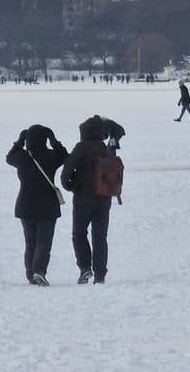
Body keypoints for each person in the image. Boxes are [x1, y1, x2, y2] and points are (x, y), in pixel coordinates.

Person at [6, 125, 68, 286]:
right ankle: (39, 271)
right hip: (48, 206)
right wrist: (54, 140)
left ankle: (30, 274)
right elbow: (64, 156)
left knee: (30, 241)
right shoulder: (51, 156)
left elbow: (9, 157)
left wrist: (19, 142)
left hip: (25, 205)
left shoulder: (22, 157)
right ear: (44, 139)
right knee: (44, 242)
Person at [61, 115, 119, 284]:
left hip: (83, 198)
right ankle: (100, 275)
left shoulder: (81, 148)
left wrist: (71, 187)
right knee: (100, 237)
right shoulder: (107, 148)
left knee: (79, 233)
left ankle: (85, 268)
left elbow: (66, 173)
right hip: (104, 198)